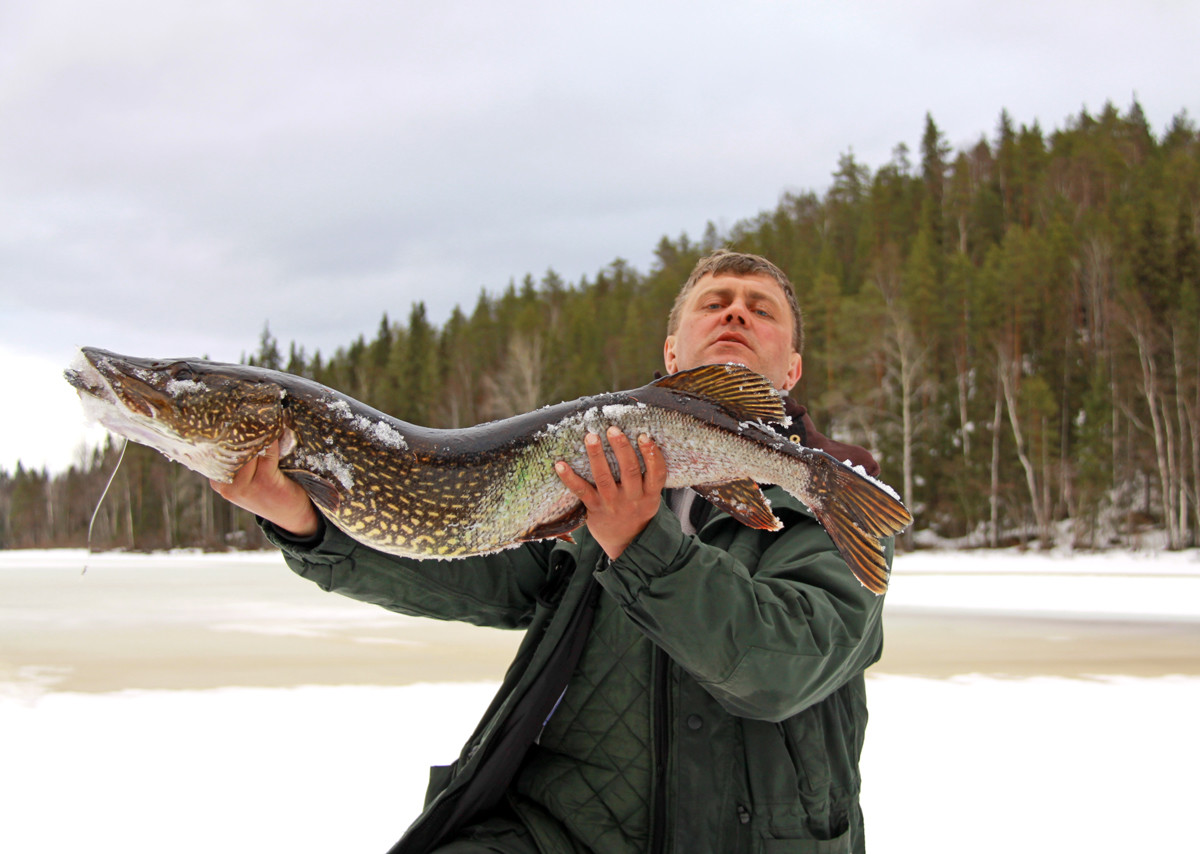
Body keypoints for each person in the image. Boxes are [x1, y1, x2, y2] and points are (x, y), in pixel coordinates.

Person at [213, 249, 892, 854]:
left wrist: (640, 543)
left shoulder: (835, 497)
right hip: (560, 829)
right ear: (672, 356)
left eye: (760, 309)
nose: (736, 314)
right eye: (714, 303)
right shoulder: (589, 469)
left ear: (793, 367)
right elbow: (474, 555)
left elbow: (783, 667)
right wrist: (311, 521)